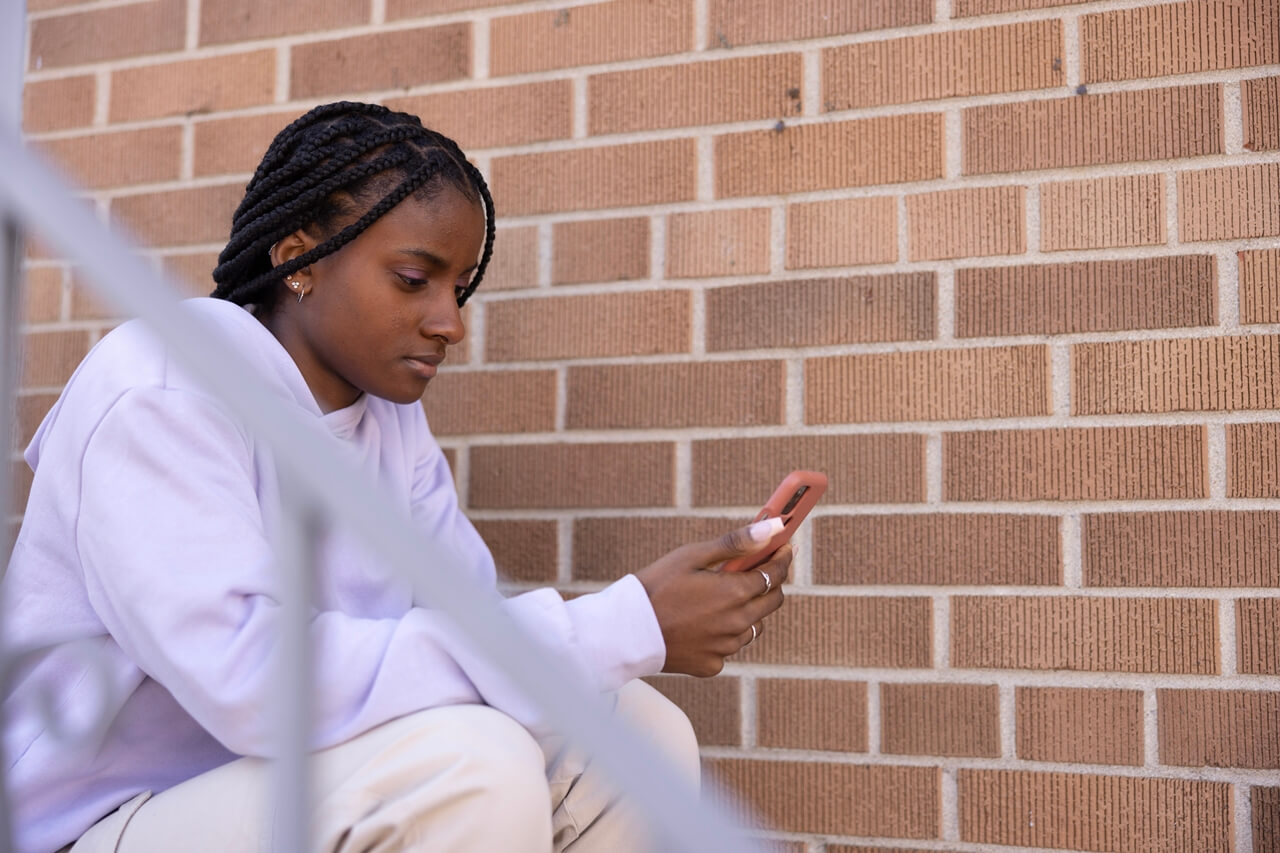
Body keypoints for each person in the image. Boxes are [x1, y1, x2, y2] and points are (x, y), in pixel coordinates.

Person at [2, 102, 793, 853]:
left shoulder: (387, 420)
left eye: (459, 286)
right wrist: (622, 623)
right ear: (297, 261)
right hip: (97, 822)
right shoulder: (167, 381)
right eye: (415, 279)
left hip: (291, 789)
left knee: (635, 734)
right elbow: (252, 684)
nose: (450, 322)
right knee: (467, 763)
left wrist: (635, 630)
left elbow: (472, 633)